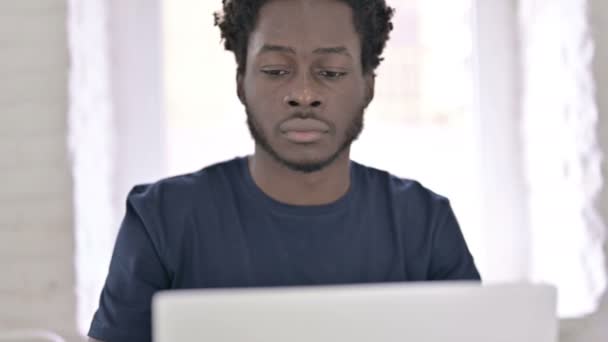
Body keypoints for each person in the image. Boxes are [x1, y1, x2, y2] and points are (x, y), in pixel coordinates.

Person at [88, 0, 480, 341]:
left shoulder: (425, 224)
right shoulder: (161, 219)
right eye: (276, 70)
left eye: (331, 71)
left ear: (367, 86)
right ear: (241, 82)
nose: (304, 94)